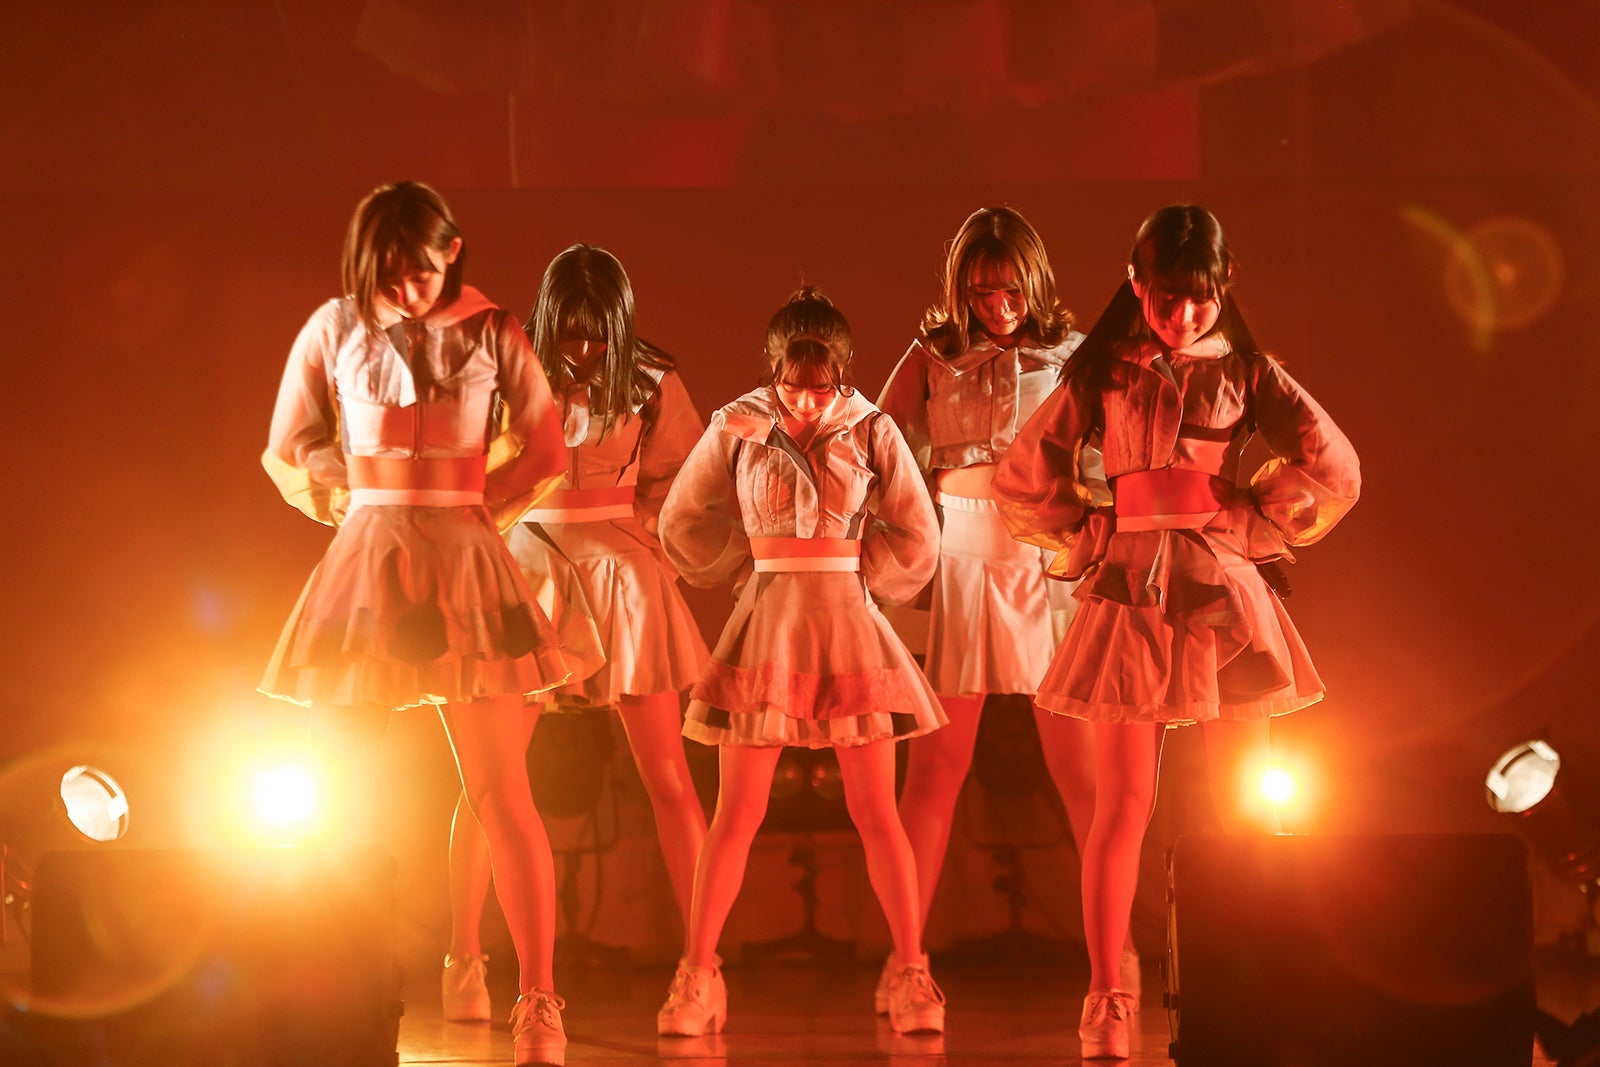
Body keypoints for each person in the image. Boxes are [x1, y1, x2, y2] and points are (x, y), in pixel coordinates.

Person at [992, 204, 1360, 1060]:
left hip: (1219, 591)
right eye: (1167, 297)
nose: (1184, 314)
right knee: (1122, 804)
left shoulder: (1246, 371)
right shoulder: (1103, 370)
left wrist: (1253, 522)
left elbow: (1334, 465)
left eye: (1200, 298)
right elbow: (1024, 472)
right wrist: (1092, 530)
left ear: (1223, 289)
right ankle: (1108, 994)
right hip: (1131, 591)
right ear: (1136, 284)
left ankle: (1254, 978)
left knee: (1245, 803)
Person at [260, 180, 574, 1067]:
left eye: (423, 271)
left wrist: (471, 513)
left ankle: (538, 1001)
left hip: (464, 561)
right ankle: (331, 990)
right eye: (390, 274)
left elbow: (546, 448)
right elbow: (289, 446)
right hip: (371, 560)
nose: (407, 289)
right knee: (336, 789)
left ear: (453, 252)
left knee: (501, 789)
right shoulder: (333, 328)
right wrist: (364, 508)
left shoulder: (494, 330)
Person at [654, 287, 949, 1038]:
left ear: (844, 371)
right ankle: (698, 973)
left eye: (822, 387)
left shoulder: (870, 426)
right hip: (769, 624)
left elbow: (917, 530)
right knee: (737, 812)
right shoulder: (738, 423)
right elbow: (682, 517)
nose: (808, 401)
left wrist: (860, 575)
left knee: (876, 810)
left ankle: (911, 969)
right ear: (772, 367)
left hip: (847, 624)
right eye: (794, 385)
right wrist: (745, 566)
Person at [875, 205, 1143, 1008]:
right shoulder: (933, 354)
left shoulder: (1071, 356)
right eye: (981, 291)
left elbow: (1109, 453)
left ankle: (1117, 952)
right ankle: (905, 959)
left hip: (1047, 563)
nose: (997, 305)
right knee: (935, 768)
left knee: (1080, 772)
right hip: (959, 560)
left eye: (1010, 290)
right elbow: (879, 443)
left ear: (1035, 283)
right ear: (960, 288)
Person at [440, 244, 711, 1024]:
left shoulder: (652, 378)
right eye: (571, 331)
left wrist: (646, 540)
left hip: (623, 572)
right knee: (488, 781)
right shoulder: (507, 371)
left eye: (599, 333)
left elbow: (688, 478)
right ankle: (465, 956)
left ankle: (702, 966)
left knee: (668, 775)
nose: (585, 347)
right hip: (524, 565)